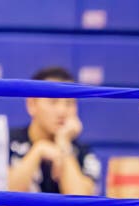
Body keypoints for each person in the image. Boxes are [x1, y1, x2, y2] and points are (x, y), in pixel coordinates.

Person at [7, 66, 101, 195]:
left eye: (69, 103)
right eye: (53, 101)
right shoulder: (7, 142)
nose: (62, 111)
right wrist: (38, 150)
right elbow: (3, 195)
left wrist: (63, 144)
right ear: (31, 105)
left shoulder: (83, 153)